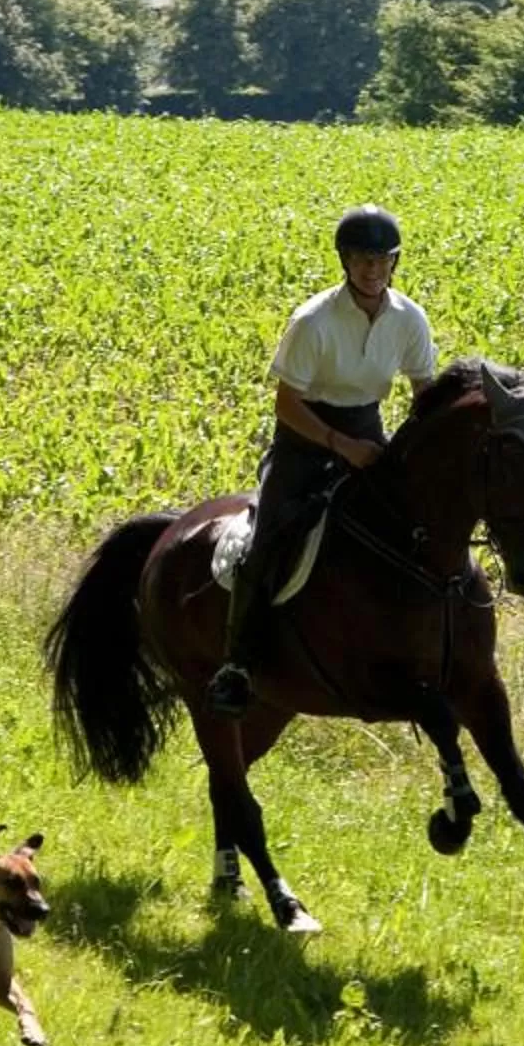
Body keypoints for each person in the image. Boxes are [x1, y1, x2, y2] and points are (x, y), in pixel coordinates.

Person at [207, 204, 439, 716]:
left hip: (369, 433)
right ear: (345, 261)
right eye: (361, 259)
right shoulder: (313, 321)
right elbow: (287, 403)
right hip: (304, 440)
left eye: (382, 260)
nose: (372, 270)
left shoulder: (409, 319)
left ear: (395, 263)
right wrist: (341, 445)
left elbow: (424, 391)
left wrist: (408, 453)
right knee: (267, 539)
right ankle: (237, 665)